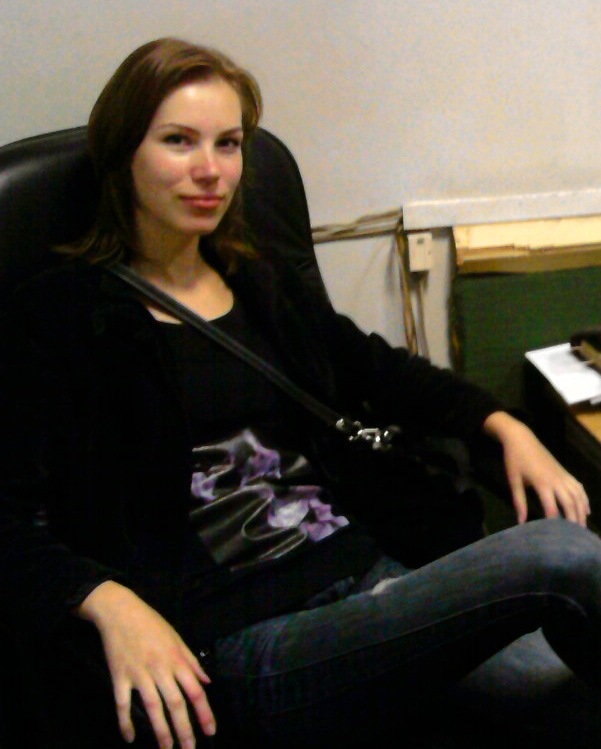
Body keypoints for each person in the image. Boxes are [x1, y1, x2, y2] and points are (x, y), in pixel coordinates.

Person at [0, 36, 600, 749]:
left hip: (372, 583)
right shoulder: (59, 318)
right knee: (560, 554)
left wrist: (505, 423)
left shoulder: (259, 285)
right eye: (178, 141)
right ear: (122, 152)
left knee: (574, 704)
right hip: (250, 639)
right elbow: (7, 515)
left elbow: (382, 372)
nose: (209, 170)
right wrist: (106, 600)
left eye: (228, 144)